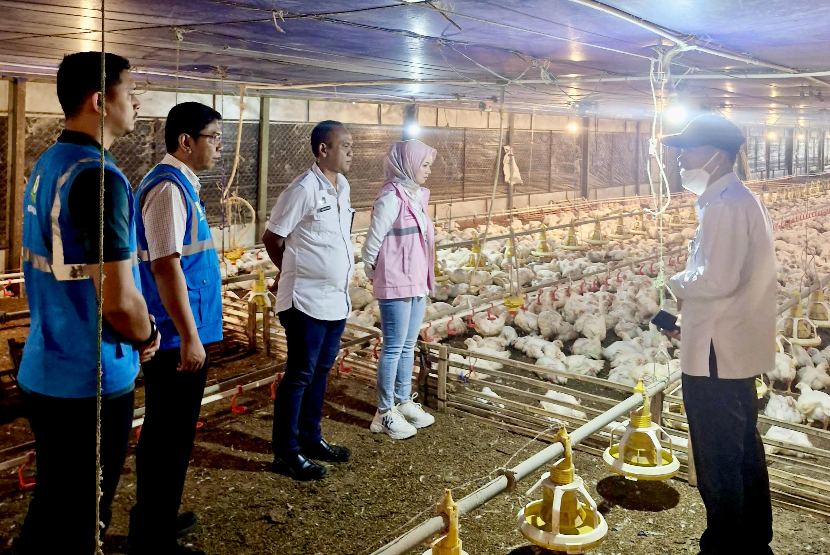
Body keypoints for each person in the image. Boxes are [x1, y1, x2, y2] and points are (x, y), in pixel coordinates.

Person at [15, 52, 160, 554]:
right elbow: (119, 301)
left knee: (55, 503)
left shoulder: (50, 163)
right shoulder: (99, 177)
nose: (138, 101)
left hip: (45, 365)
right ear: (101, 101)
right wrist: (149, 336)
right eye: (130, 89)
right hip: (89, 379)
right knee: (81, 520)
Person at [662, 115, 775, 555]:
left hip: (717, 351)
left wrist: (674, 283)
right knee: (742, 446)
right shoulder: (728, 199)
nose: (682, 157)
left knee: (718, 453)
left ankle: (725, 544)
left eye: (689, 149)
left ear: (715, 154)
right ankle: (751, 537)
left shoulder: (726, 203)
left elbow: (718, 278)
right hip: (727, 343)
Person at [129, 102, 224, 554]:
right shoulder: (168, 189)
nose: (220, 148)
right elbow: (166, 268)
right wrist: (188, 335)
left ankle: (158, 517)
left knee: (173, 431)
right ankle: (151, 534)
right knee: (167, 432)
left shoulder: (183, 185)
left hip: (181, 330)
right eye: (214, 138)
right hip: (172, 335)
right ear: (186, 141)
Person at [263, 120, 355, 481]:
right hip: (304, 300)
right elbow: (273, 238)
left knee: (320, 371)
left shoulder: (342, 186)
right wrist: (291, 271)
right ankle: (286, 451)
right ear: (323, 150)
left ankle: (310, 438)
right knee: (299, 374)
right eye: (345, 145)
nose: (351, 152)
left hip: (336, 299)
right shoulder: (302, 190)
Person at [361, 140, 437, 439]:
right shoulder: (390, 198)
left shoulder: (416, 197)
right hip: (395, 281)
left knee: (408, 345)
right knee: (393, 347)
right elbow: (372, 242)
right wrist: (377, 273)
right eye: (425, 165)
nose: (429, 171)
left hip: (417, 279)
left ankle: (404, 401)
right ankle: (383, 412)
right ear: (407, 164)